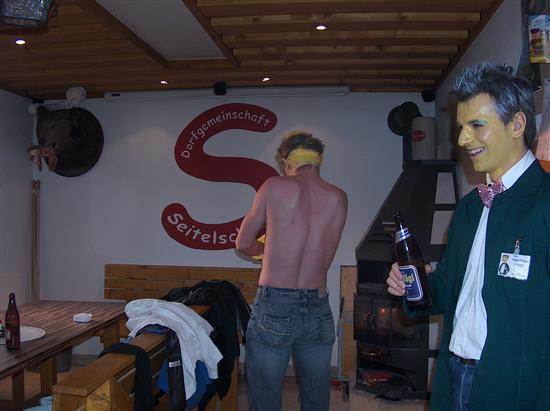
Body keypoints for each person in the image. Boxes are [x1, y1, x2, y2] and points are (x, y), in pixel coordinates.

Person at [387, 62, 550, 411]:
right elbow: (449, 287)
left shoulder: (545, 203)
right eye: (461, 127)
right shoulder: (469, 208)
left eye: (476, 125)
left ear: (517, 124)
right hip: (453, 375)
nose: (462, 139)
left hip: (515, 390)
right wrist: (414, 285)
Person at [236, 130, 347, 411]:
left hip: (275, 304)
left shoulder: (273, 186)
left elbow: (243, 243)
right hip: (318, 306)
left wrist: (264, 252)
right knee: (316, 395)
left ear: (287, 163)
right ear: (318, 160)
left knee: (265, 394)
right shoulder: (338, 197)